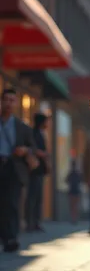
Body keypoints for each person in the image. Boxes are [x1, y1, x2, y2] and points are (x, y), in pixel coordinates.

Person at [0, 88, 37, 252]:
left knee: (12, 203)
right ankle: (4, 236)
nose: (8, 103)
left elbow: (32, 148)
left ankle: (11, 238)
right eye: (5, 100)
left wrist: (25, 150)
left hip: (14, 168)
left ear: (16, 103)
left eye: (12, 100)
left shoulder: (22, 127)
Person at [26, 113, 51, 233]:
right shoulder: (34, 133)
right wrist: (41, 153)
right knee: (33, 196)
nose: (48, 124)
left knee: (37, 197)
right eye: (46, 121)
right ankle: (30, 222)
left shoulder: (41, 134)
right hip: (34, 170)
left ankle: (35, 221)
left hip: (40, 169)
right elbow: (32, 149)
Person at [66, 160, 82, 224]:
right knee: (75, 206)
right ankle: (75, 218)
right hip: (76, 191)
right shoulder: (78, 174)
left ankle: (73, 218)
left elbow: (66, 180)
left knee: (72, 206)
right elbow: (81, 180)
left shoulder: (70, 173)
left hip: (72, 190)